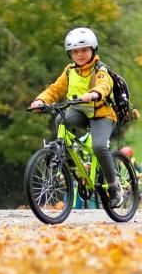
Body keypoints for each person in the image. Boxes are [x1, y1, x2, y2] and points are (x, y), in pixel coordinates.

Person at [29, 27, 124, 206]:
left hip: (102, 114)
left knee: (98, 146)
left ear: (93, 50)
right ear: (70, 54)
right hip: (80, 112)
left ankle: (114, 187)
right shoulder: (69, 71)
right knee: (60, 119)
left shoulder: (100, 69)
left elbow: (105, 84)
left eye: (84, 50)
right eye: (75, 51)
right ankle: (70, 162)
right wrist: (41, 100)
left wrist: (95, 93)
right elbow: (55, 89)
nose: (79, 54)